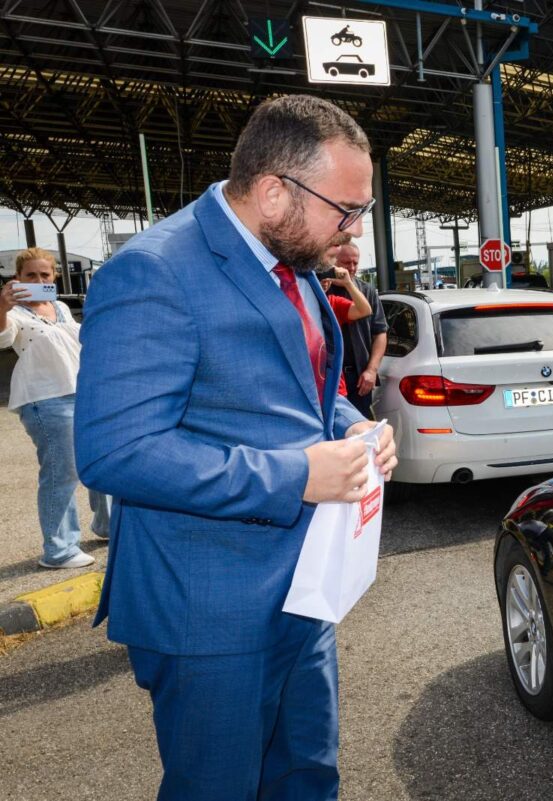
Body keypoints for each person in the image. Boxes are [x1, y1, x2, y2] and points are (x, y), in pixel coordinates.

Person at [75, 95, 398, 800]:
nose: (353, 231)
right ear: (274, 190)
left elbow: (309, 393)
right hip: (207, 607)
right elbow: (114, 450)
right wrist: (297, 474)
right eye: (345, 210)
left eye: (361, 211)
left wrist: (350, 425)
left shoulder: (299, 263)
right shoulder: (154, 271)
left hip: (305, 588)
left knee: (308, 777)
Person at [0, 249, 109, 568]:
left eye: (44, 275)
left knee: (100, 460)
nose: (37, 281)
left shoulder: (60, 307)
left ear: (54, 277)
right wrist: (3, 306)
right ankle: (59, 550)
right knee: (63, 472)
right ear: (16, 278)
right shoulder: (15, 312)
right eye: (30, 276)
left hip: (84, 393)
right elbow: (3, 339)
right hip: (45, 399)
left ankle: (108, 525)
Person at [325, 242, 387, 418]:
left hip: (359, 376)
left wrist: (372, 370)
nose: (351, 268)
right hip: (330, 374)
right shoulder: (322, 288)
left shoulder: (367, 291)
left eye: (355, 263)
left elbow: (380, 333)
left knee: (361, 425)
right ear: (333, 262)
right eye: (346, 263)